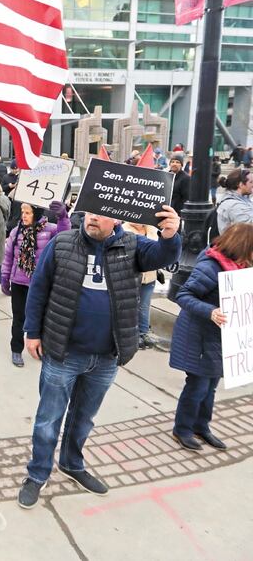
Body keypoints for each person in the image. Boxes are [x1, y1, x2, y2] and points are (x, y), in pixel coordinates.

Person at [17, 206, 181, 509]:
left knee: (83, 419)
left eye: (101, 214)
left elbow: (163, 256)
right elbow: (39, 289)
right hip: (63, 352)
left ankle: (72, 463)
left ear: (116, 217)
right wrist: (32, 331)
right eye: (89, 212)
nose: (92, 218)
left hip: (106, 357)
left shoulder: (132, 246)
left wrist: (170, 236)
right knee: (48, 421)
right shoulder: (62, 243)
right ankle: (38, 474)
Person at [169, 223, 252, 452]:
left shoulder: (240, 267)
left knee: (211, 386)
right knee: (197, 385)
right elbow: (183, 295)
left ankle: (201, 426)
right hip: (199, 335)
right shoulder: (211, 266)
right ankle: (182, 429)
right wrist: (210, 311)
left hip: (219, 336)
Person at [2, 202, 70, 367]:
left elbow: (65, 236)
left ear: (37, 214)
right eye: (22, 212)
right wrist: (5, 277)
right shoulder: (15, 231)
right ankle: (16, 350)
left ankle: (40, 348)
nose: (23, 215)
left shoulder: (50, 229)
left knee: (42, 319)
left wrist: (63, 216)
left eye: (28, 212)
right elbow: (9, 256)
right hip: (19, 282)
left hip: (40, 285)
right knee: (19, 319)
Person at [123, 222, 160, 350]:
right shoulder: (124, 229)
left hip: (149, 276)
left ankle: (143, 332)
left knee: (144, 305)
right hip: (131, 275)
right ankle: (132, 334)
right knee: (131, 305)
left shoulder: (153, 229)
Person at [217, 168, 253, 234]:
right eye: (251, 182)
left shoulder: (242, 198)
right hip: (239, 244)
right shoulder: (234, 205)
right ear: (240, 185)